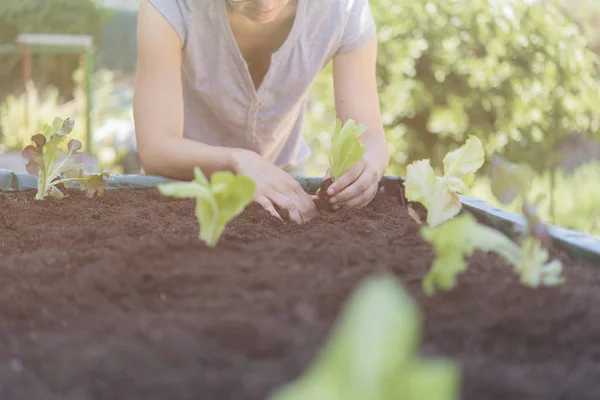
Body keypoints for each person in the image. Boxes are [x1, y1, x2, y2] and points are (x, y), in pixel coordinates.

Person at [133, 0, 389, 224]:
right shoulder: (170, 6)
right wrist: (236, 162)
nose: (266, 5)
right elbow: (156, 146)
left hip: (286, 186)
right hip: (187, 186)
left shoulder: (344, 8)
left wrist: (367, 167)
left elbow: (370, 137)